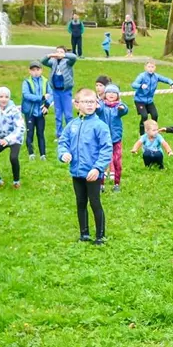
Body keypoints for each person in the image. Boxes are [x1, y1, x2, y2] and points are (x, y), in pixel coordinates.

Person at [60, 88, 113, 244]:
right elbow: (63, 142)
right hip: (77, 173)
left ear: (97, 104)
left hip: (92, 173)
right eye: (85, 102)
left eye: (92, 102)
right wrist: (63, 154)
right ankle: (84, 234)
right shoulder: (72, 125)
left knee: (95, 202)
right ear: (77, 105)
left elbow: (106, 148)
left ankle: (100, 235)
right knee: (81, 202)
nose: (89, 105)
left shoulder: (100, 126)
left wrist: (97, 168)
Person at [41, 46, 79, 147]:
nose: (58, 54)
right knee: (58, 114)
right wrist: (50, 55)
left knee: (68, 114)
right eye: (57, 52)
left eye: (61, 52)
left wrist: (64, 55)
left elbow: (74, 57)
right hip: (56, 91)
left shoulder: (67, 62)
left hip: (65, 91)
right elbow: (43, 61)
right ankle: (59, 135)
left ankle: (70, 134)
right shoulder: (53, 62)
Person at [97, 86, 130, 191]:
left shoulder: (119, 106)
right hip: (103, 138)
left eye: (114, 92)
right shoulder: (101, 105)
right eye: (109, 92)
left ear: (118, 95)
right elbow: (98, 109)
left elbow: (124, 110)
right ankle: (100, 184)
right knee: (101, 161)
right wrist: (96, 107)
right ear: (105, 94)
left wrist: (122, 109)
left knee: (117, 161)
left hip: (116, 139)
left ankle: (116, 184)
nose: (111, 94)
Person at [20, 61, 51, 160]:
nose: (36, 72)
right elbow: (26, 95)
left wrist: (46, 105)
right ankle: (31, 153)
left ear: (41, 70)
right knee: (30, 133)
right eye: (33, 70)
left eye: (38, 70)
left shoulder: (46, 81)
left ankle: (43, 154)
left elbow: (51, 94)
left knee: (41, 133)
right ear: (29, 71)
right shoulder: (26, 82)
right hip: (30, 112)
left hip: (40, 112)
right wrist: (41, 97)